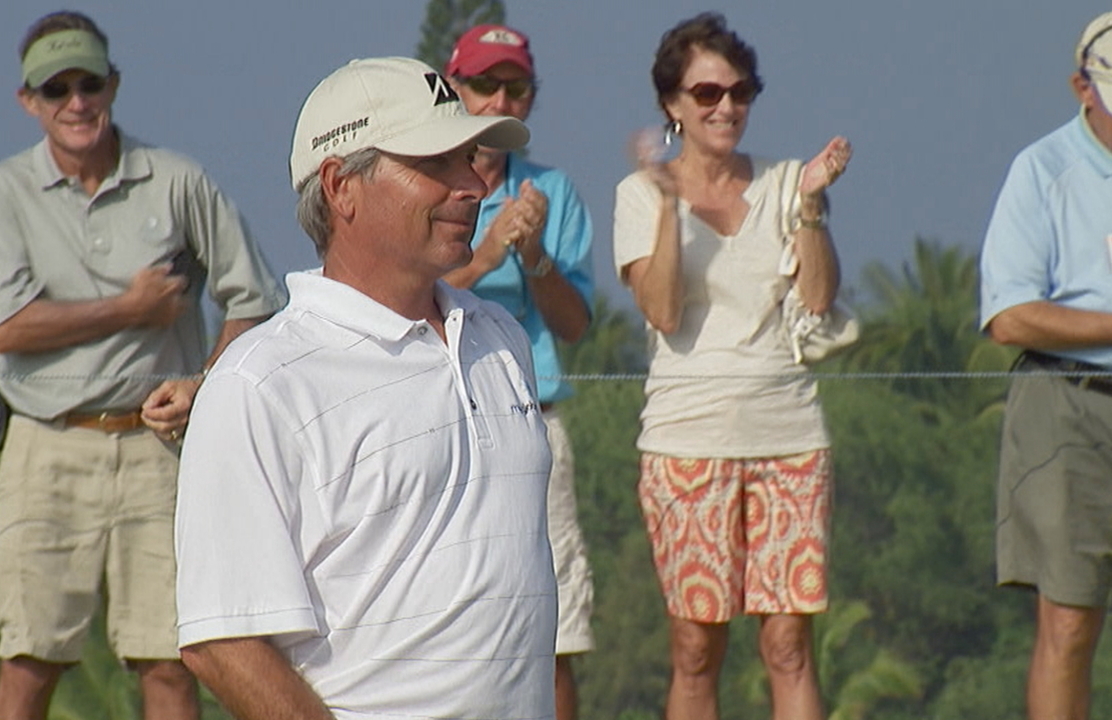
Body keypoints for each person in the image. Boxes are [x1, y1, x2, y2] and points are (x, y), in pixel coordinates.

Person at [173, 56, 557, 719]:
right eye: (436, 164)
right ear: (340, 187)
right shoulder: (259, 384)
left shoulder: (501, 339)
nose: (472, 186)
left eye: (470, 158)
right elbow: (224, 641)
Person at [0, 11, 285, 720]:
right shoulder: (0, 192)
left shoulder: (177, 180)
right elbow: (2, 328)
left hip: (159, 450)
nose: (76, 103)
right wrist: (132, 307)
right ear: (29, 101)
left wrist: (205, 385)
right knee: (28, 660)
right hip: (45, 446)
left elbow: (255, 298)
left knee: (171, 661)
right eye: (56, 89)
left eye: (89, 83)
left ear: (114, 84)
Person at [611, 13, 851, 720]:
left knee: (788, 646)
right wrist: (664, 203)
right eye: (708, 93)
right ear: (673, 104)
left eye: (740, 93)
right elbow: (659, 310)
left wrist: (809, 204)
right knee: (695, 648)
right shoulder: (638, 193)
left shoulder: (784, 182)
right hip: (688, 441)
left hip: (790, 437)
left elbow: (816, 296)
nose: (726, 108)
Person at [442, 24, 596, 720]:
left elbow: (574, 324)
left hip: (535, 419)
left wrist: (533, 256)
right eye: (484, 84)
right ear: (455, 88)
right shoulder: (424, 177)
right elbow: (407, 295)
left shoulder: (552, 190)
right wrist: (486, 255)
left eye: (516, 86)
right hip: (438, 419)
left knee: (552, 628)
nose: (501, 98)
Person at [979, 12, 1112, 720]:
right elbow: (1011, 316)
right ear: (1081, 87)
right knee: (1069, 621)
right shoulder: (1042, 170)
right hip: (1067, 403)